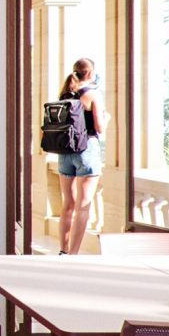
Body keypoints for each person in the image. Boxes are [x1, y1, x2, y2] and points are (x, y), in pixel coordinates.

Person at [55, 59, 110, 255]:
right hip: (87, 151)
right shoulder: (93, 95)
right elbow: (99, 127)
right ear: (91, 73)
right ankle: (73, 254)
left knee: (67, 204)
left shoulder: (65, 93)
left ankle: (63, 249)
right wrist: (106, 118)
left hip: (65, 154)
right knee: (83, 206)